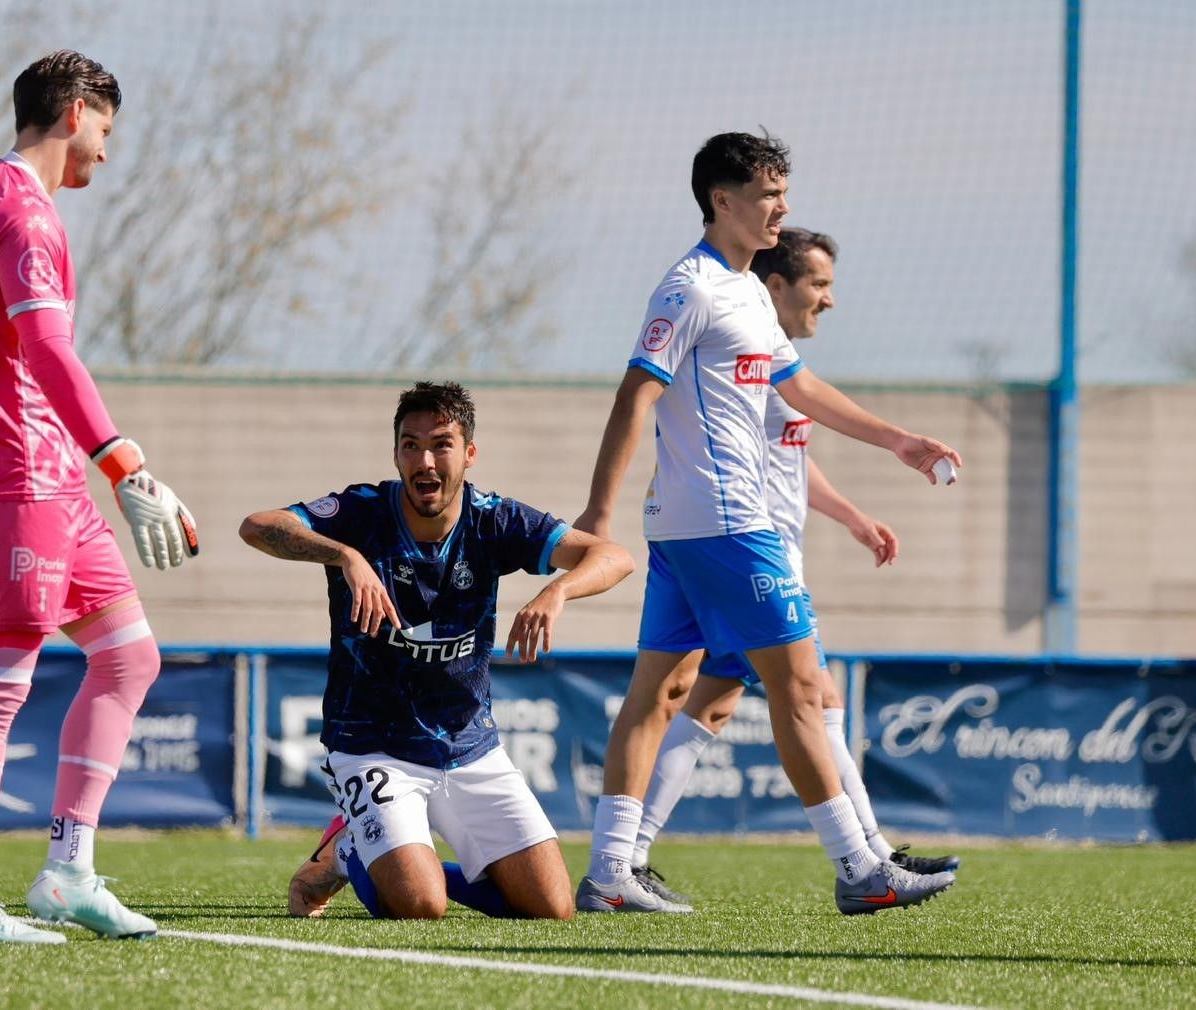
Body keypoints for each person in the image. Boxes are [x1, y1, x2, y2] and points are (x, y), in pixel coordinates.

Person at [573, 132, 960, 916]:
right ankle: (861, 865)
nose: (781, 207)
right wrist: (595, 512)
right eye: (768, 193)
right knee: (799, 687)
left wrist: (898, 441)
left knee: (663, 692)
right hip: (726, 524)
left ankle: (613, 867)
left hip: (695, 530)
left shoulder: (749, 290)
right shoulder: (690, 288)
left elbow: (802, 387)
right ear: (723, 199)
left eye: (783, 191)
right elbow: (634, 393)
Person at [0, 51, 199, 944]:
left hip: (51, 483)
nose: (106, 155)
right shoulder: (21, 211)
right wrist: (122, 461)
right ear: (77, 111)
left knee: (129, 658)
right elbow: (46, 351)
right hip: (15, 482)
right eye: (106, 131)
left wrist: (112, 475)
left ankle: (68, 870)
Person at [240, 381, 635, 920]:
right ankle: (353, 849)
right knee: (421, 907)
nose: (425, 460)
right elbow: (258, 526)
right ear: (397, 453)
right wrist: (345, 556)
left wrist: (557, 589)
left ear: (469, 453)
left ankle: (365, 850)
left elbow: (614, 556)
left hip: (471, 745)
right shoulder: (363, 512)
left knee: (553, 908)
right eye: (410, 444)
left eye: (442, 444)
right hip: (373, 747)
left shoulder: (495, 520)